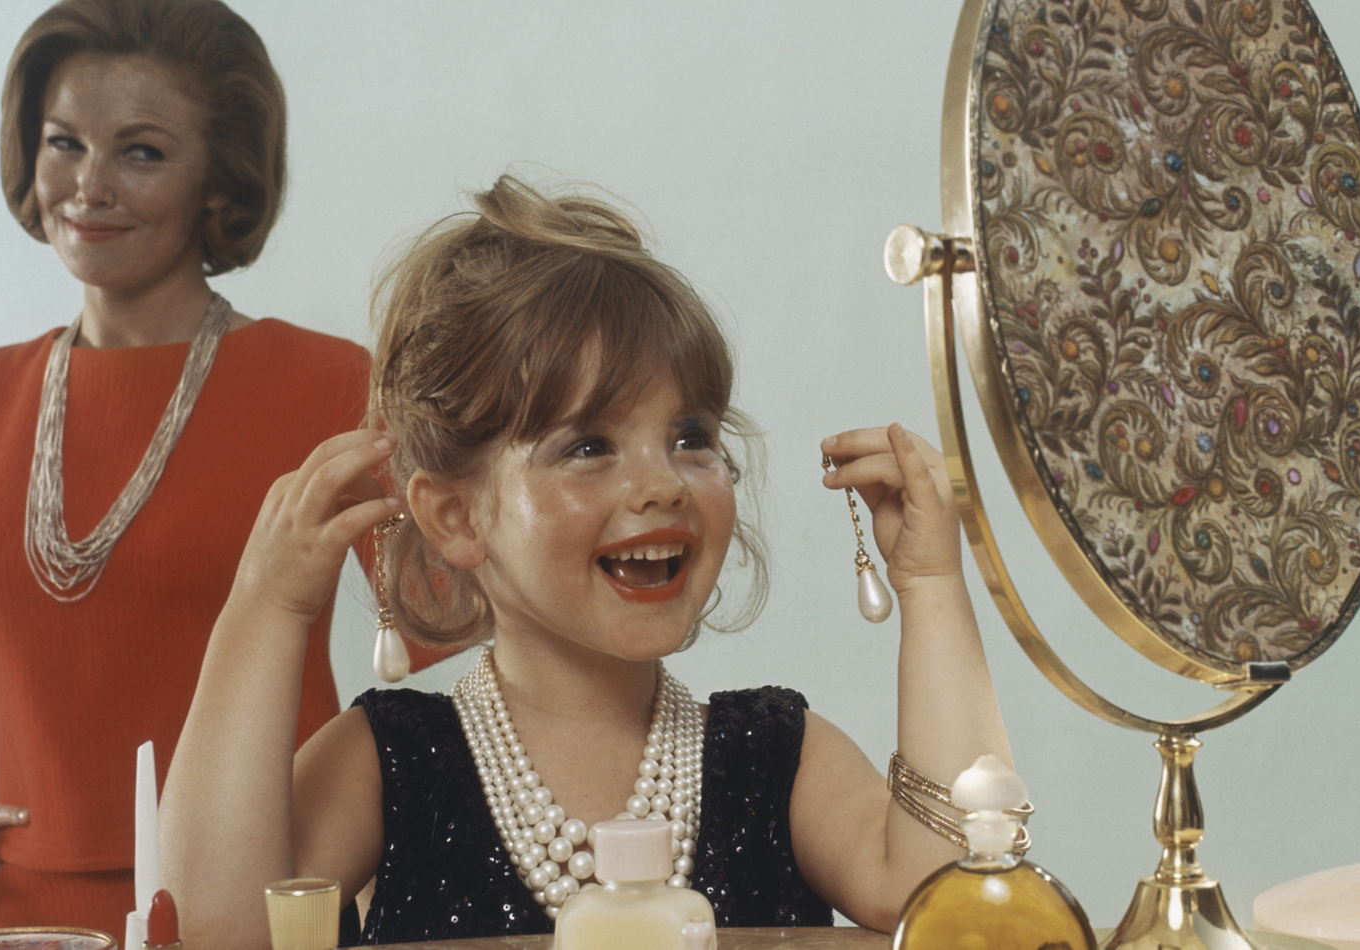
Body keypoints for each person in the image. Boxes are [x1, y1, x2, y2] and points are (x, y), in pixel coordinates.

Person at [161, 175, 1016, 948]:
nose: (663, 484)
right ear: (457, 518)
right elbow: (219, 928)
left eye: (690, 437)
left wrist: (933, 585)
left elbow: (949, 899)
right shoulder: (391, 764)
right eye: (590, 445)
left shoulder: (775, 758)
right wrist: (267, 609)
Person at [0, 0, 434, 939]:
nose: (88, 186)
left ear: (220, 178)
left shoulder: (325, 385)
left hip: (256, 908)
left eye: (141, 152)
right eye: (64, 143)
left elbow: (469, 611)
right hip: (20, 925)